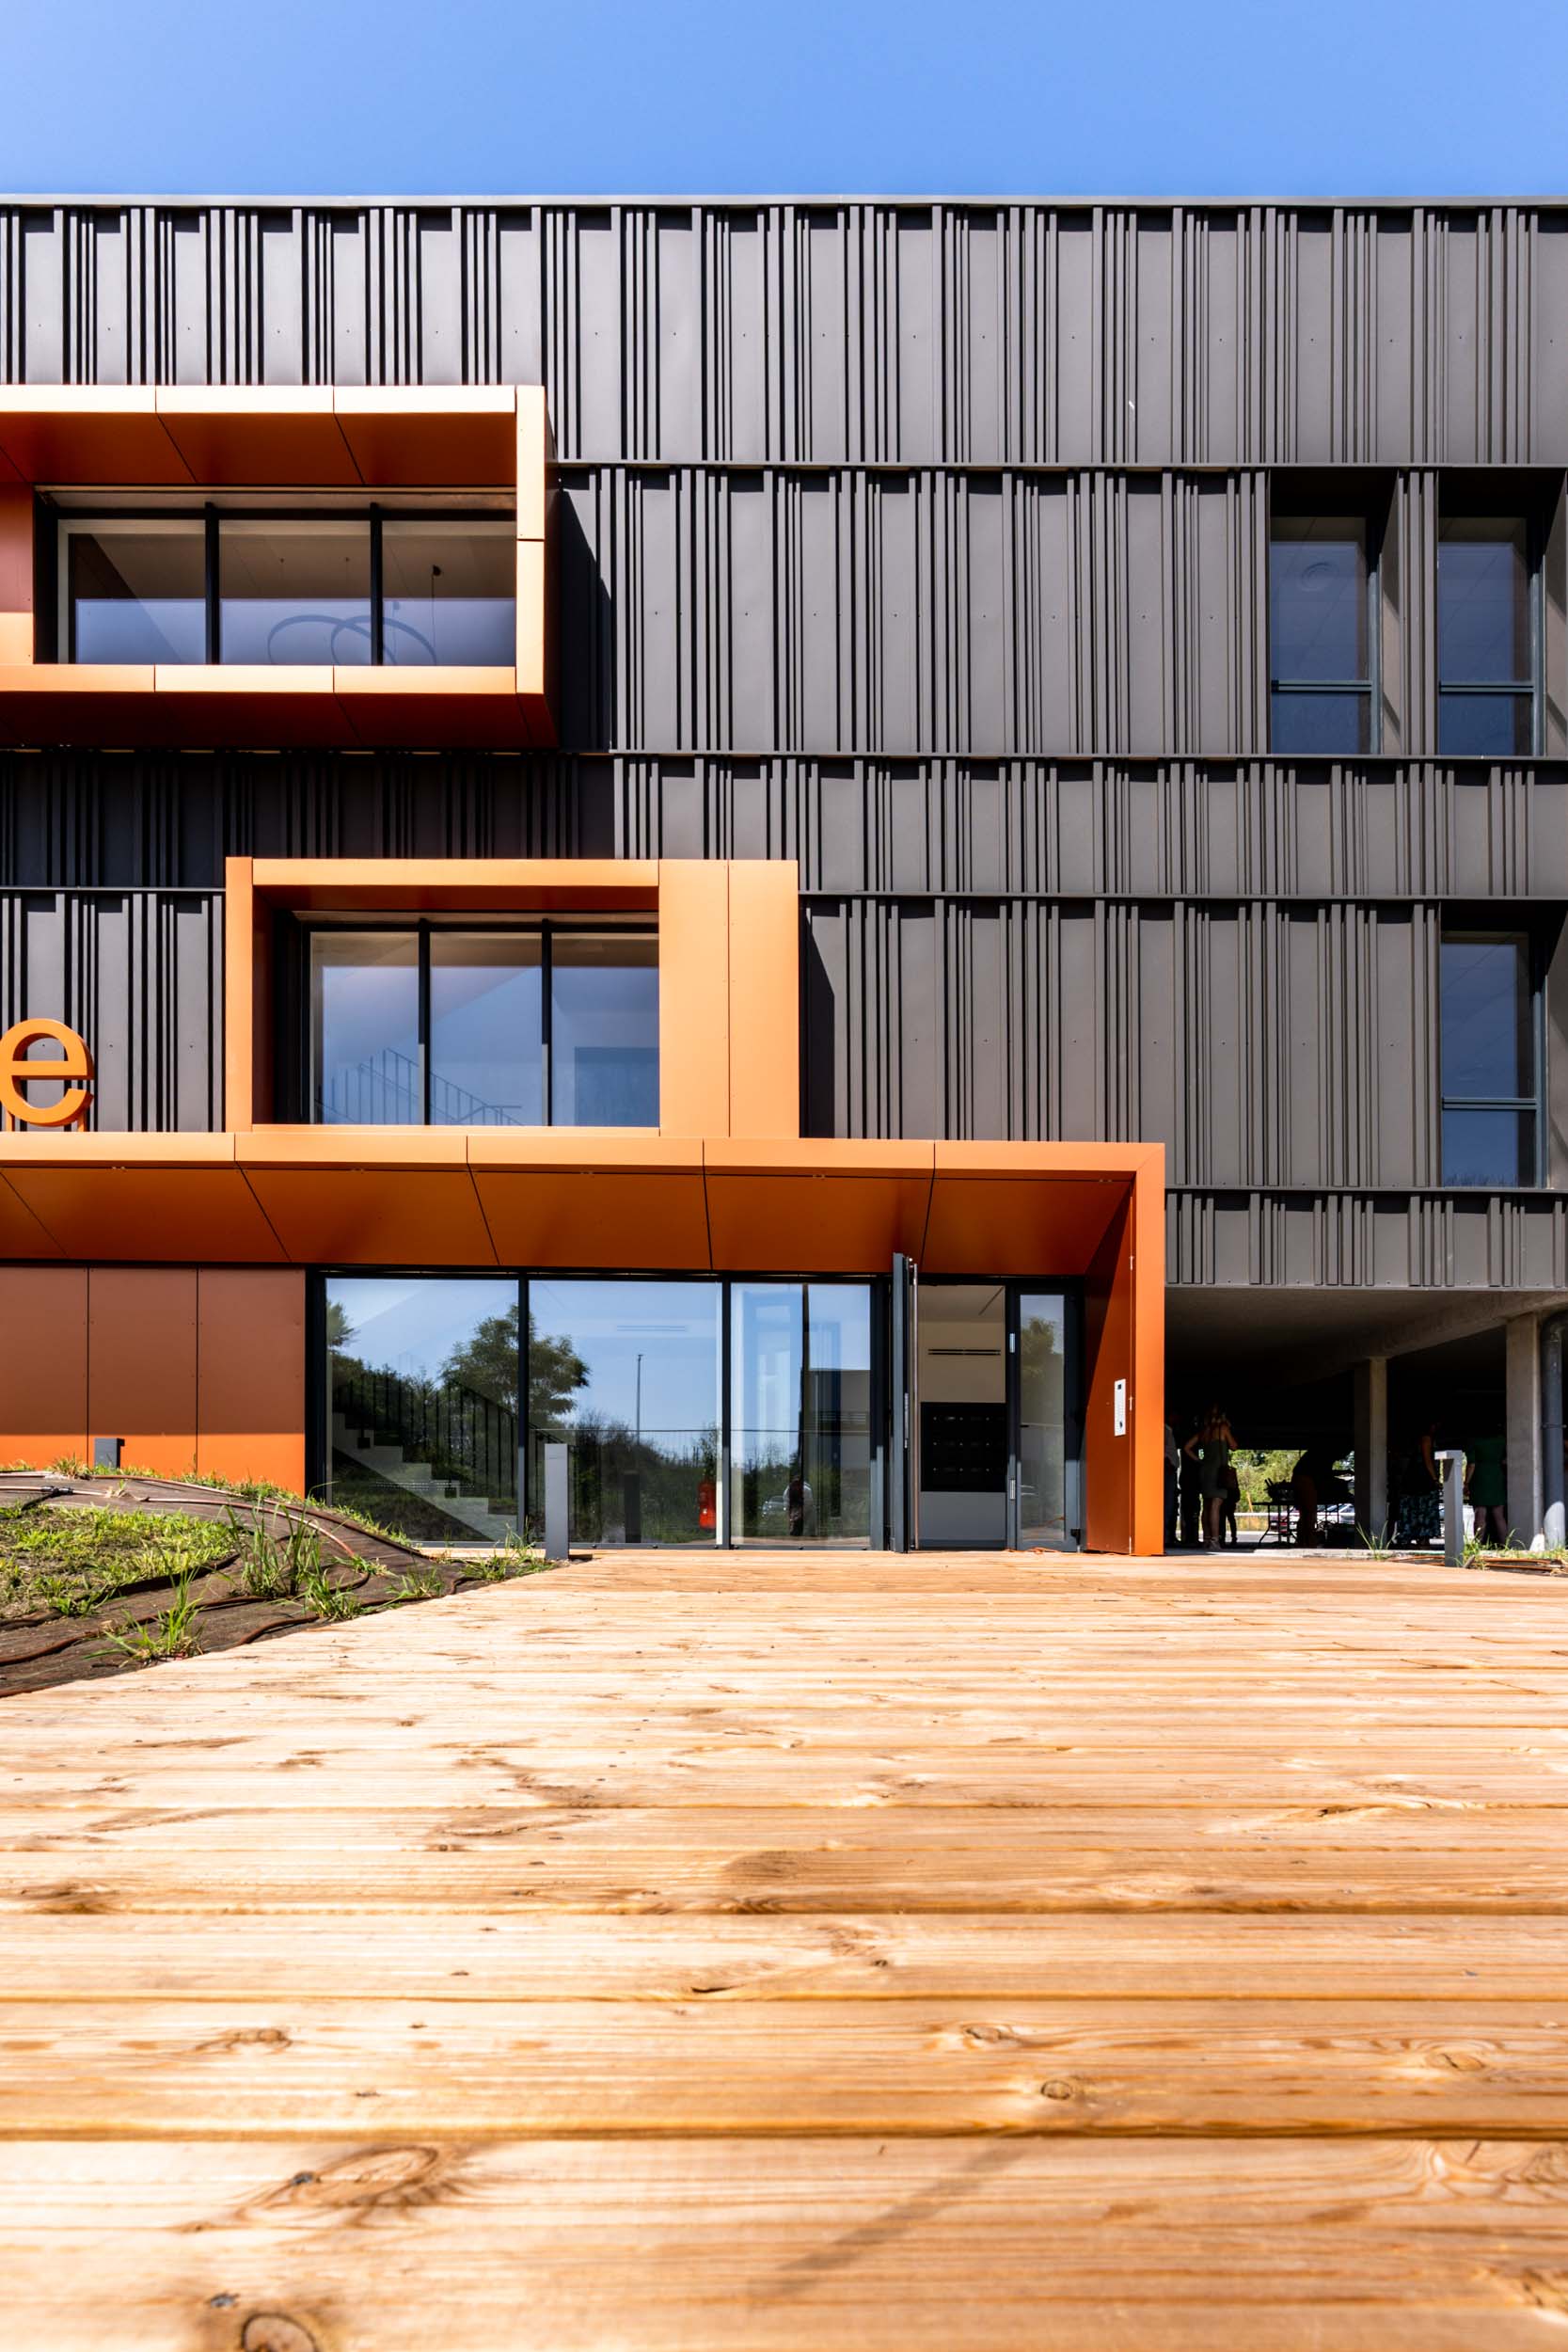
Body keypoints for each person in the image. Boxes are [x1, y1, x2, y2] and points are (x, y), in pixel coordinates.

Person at [1184, 1405, 1238, 1549]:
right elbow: (1234, 1446)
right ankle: (1215, 1540)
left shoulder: (1204, 1432)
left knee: (1206, 1506)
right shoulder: (1223, 1429)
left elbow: (1187, 1447)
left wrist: (1199, 1460)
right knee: (1216, 1505)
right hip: (1218, 1471)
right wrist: (1228, 1425)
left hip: (1205, 1470)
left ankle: (1207, 1539)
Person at [1291, 1441, 1354, 1545]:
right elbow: (1325, 1474)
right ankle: (1308, 1541)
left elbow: (1325, 1473)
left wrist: (1344, 1472)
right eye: (1344, 1454)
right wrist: (1341, 1479)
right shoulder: (1327, 1454)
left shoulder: (1322, 1452)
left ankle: (1303, 1541)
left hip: (1301, 1478)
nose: (1343, 1458)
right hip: (1305, 1480)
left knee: (1305, 1514)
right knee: (1310, 1513)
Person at [1395, 1418, 1443, 1549]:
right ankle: (1423, 1538)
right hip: (1423, 1481)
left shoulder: (1414, 1441)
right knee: (1424, 1509)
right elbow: (1428, 1460)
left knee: (1414, 1508)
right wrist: (1435, 1479)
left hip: (1415, 1481)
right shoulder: (1426, 1439)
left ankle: (1415, 1537)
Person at [1466, 1429, 1508, 1549]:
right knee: (1499, 1515)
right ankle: (1506, 1545)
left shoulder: (1474, 1441)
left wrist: (1466, 1482)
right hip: (1497, 1476)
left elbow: (1471, 1464)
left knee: (1480, 1514)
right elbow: (1505, 1459)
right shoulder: (1502, 1440)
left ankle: (1478, 1545)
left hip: (1480, 1478)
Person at [1163, 1422, 1180, 1549]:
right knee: (1167, 1504)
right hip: (1167, 1469)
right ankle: (1163, 1535)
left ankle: (1167, 1535)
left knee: (1170, 1505)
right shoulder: (1164, 1429)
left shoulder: (1169, 1430)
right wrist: (1167, 1461)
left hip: (1170, 1469)